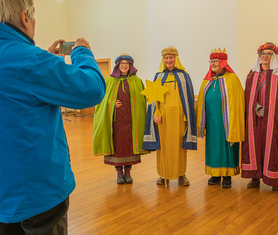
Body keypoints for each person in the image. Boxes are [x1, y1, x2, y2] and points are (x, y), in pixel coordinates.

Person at [0, 0, 106, 235]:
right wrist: (84, 53)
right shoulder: (31, 62)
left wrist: (44, 57)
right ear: (25, 17)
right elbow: (92, 89)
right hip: (40, 193)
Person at [143, 46, 197, 186]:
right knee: (164, 146)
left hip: (179, 117)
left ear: (176, 59)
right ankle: (163, 174)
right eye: (166, 58)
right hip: (163, 118)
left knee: (179, 147)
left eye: (171, 57)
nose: (168, 60)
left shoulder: (184, 76)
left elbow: (189, 98)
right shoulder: (159, 76)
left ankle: (181, 174)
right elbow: (154, 99)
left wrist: (187, 117)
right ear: (163, 60)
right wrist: (156, 114)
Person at [93, 53, 149, 184]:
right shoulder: (109, 80)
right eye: (122, 64)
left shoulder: (137, 81)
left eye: (127, 64)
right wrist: (112, 102)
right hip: (116, 121)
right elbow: (101, 100)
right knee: (117, 146)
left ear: (131, 66)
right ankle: (119, 172)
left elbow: (141, 101)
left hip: (131, 121)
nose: (124, 66)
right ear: (118, 66)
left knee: (129, 145)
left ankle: (128, 171)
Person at [196, 48, 245, 188]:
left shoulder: (232, 79)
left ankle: (227, 175)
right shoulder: (207, 80)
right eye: (211, 61)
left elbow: (238, 101)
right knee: (213, 147)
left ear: (223, 62)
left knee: (226, 146)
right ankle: (215, 173)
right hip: (212, 122)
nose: (212, 63)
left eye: (215, 61)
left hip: (227, 122)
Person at [241, 42, 278, 190]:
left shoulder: (277, 75)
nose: (265, 56)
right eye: (263, 54)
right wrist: (255, 107)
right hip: (256, 118)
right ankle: (255, 176)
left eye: (269, 53)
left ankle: (274, 177)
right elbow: (248, 94)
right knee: (254, 144)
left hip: (273, 119)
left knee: (273, 145)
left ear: (273, 56)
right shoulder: (253, 74)